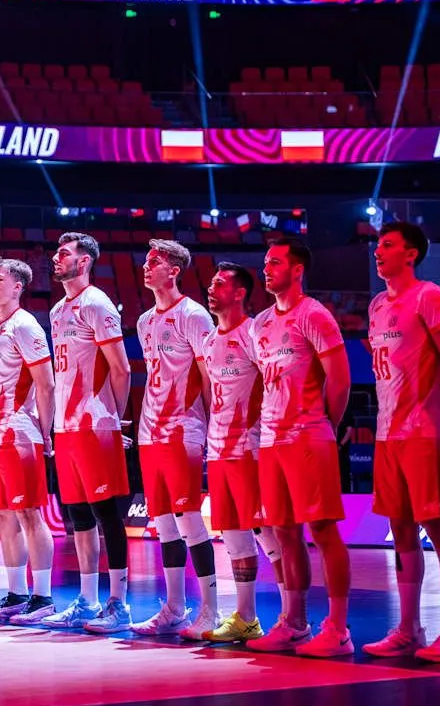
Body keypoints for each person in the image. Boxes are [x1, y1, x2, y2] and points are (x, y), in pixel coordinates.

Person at [362, 222, 440, 662]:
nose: (378, 251)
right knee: (401, 529)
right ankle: (408, 628)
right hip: (388, 433)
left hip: (427, 430)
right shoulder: (376, 305)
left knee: (439, 528)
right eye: (377, 245)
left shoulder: (430, 297)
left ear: (411, 254)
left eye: (388, 245)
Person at [247, 239, 353, 658]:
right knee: (285, 532)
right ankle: (294, 623)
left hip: (308, 436)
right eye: (266, 262)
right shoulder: (260, 322)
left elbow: (340, 380)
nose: (267, 268)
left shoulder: (314, 315)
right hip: (271, 440)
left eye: (275, 262)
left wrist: (326, 424)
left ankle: (339, 630)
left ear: (297, 269)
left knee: (323, 530)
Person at [42, 233, 133, 634]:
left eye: (63, 253)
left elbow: (121, 368)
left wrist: (112, 417)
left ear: (83, 262)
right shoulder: (58, 309)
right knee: (78, 516)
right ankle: (87, 599)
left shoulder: (97, 303)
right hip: (66, 426)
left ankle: (119, 604)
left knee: (106, 514)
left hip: (94, 424)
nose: (55, 258)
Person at [131, 240, 217, 638]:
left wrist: (214, 427)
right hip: (150, 431)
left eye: (155, 262)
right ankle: (174, 607)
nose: (146, 266)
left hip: (184, 429)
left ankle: (211, 610)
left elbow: (209, 375)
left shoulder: (194, 315)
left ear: (175, 270)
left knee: (190, 520)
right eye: (146, 261)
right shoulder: (144, 321)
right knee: (163, 522)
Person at [200, 263, 284, 644]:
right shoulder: (208, 341)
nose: (211, 288)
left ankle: (291, 616)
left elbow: (272, 383)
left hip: (249, 450)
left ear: (239, 293)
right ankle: (246, 617)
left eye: (220, 284)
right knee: (233, 536)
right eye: (211, 282)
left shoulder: (253, 334)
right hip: (218, 450)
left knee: (268, 533)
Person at [0, 258, 58, 625]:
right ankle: (16, 593)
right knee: (3, 516)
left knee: (29, 513)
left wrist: (46, 431)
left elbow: (46, 383)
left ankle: (43, 596)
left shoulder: (26, 326)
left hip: (20, 432)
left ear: (18, 287)